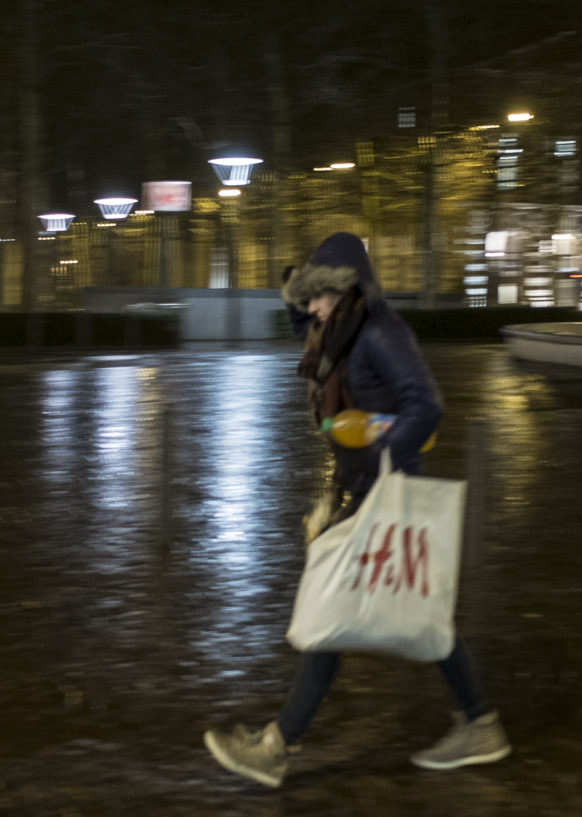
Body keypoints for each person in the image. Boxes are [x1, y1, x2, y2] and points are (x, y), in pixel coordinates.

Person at [203, 232, 509, 788]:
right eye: (309, 299)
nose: (310, 309)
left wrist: (377, 452)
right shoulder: (340, 331)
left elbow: (428, 406)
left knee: (332, 610)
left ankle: (276, 747)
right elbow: (304, 322)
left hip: (384, 490)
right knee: (418, 613)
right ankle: (480, 721)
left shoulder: (381, 333)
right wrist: (297, 285)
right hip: (360, 487)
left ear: (346, 290)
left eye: (319, 296)